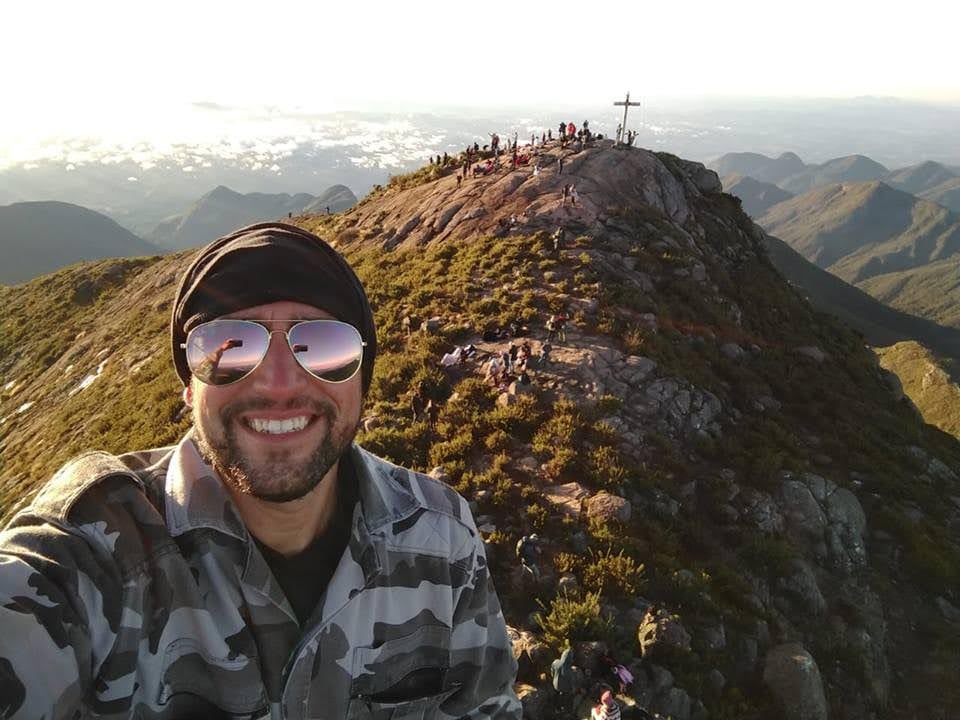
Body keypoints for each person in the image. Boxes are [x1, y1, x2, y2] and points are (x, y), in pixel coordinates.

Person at [0, 222, 521, 719]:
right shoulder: (102, 549)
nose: (277, 384)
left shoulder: (443, 538)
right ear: (188, 385)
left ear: (363, 377)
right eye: (230, 347)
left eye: (322, 345)